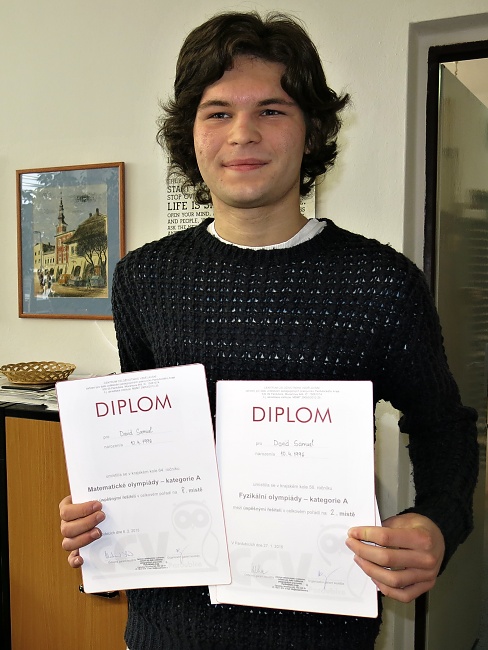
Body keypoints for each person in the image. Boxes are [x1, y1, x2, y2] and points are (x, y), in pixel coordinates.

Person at [59, 11, 478, 650]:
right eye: (218, 112)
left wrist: (437, 522)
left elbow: (443, 426)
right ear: (191, 135)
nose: (243, 132)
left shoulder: (381, 282)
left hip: (324, 631)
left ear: (311, 133)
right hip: (167, 631)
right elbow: (145, 444)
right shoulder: (143, 278)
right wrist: (101, 517)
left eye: (272, 110)